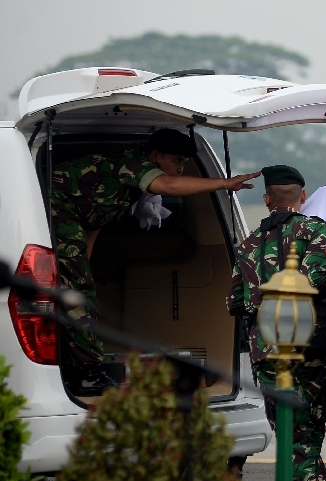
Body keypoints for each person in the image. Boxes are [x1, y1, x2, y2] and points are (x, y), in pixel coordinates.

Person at [53, 128, 258, 396]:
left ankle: (79, 366)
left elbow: (94, 220)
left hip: (71, 219)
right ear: (155, 155)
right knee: (76, 296)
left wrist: (85, 266)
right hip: (52, 207)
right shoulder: (133, 164)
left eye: (184, 162)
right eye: (177, 160)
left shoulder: (129, 183)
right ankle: (87, 372)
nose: (181, 168)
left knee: (81, 289)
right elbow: (169, 186)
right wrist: (224, 183)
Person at [226, 165, 326, 481]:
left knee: (295, 432)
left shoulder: (249, 243)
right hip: (310, 341)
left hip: (267, 348)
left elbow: (233, 302)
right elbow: (312, 279)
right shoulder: (315, 229)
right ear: (303, 195)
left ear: (267, 199)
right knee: (308, 428)